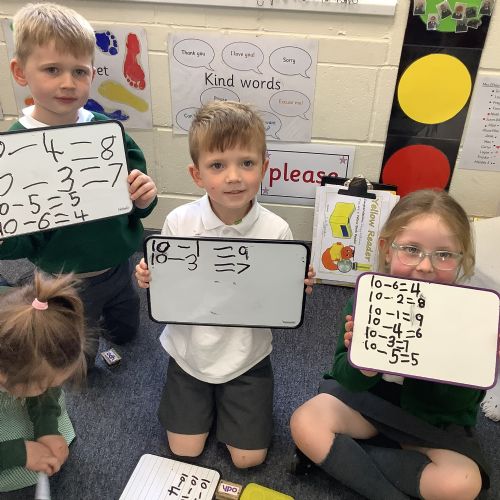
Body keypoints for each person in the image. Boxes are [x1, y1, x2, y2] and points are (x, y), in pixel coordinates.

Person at [136, 101, 315, 468]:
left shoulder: (276, 230)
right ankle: (204, 401)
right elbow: (167, 288)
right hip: (190, 353)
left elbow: (278, 299)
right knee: (184, 451)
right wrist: (150, 277)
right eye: (217, 165)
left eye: (246, 163)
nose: (234, 177)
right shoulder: (179, 222)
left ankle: (235, 404)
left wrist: (295, 288)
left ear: (264, 167)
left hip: (247, 357)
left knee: (249, 459)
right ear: (197, 174)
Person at [290, 190, 492, 500]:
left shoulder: (468, 315)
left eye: (444, 255)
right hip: (368, 403)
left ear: (461, 259)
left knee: (463, 483)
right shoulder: (369, 297)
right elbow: (343, 374)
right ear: (387, 250)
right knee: (305, 421)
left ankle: (346, 459)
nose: (425, 266)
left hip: (432, 422)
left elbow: (458, 406)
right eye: (411, 249)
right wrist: (364, 367)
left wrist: (468, 362)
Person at [1, 3, 157, 363]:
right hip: (61, 275)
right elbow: (20, 234)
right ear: (21, 72)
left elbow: (137, 197)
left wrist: (144, 198)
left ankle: (122, 334)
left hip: (118, 262)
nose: (68, 83)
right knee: (75, 346)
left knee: (125, 321)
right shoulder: (16, 147)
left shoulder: (106, 130)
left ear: (92, 73)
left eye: (79, 71)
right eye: (52, 69)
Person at [0, 272, 87, 492]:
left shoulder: (28, 318)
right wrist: (19, 452)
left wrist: (46, 427)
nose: (51, 389)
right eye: (44, 385)